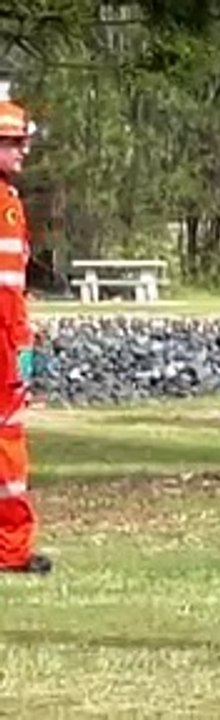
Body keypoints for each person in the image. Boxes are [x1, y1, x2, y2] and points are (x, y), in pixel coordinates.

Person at [0, 101, 51, 575]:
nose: (23, 151)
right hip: (6, 344)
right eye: (13, 143)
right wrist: (22, 352)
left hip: (11, 338)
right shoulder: (5, 208)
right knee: (9, 443)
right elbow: (7, 293)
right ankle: (11, 548)